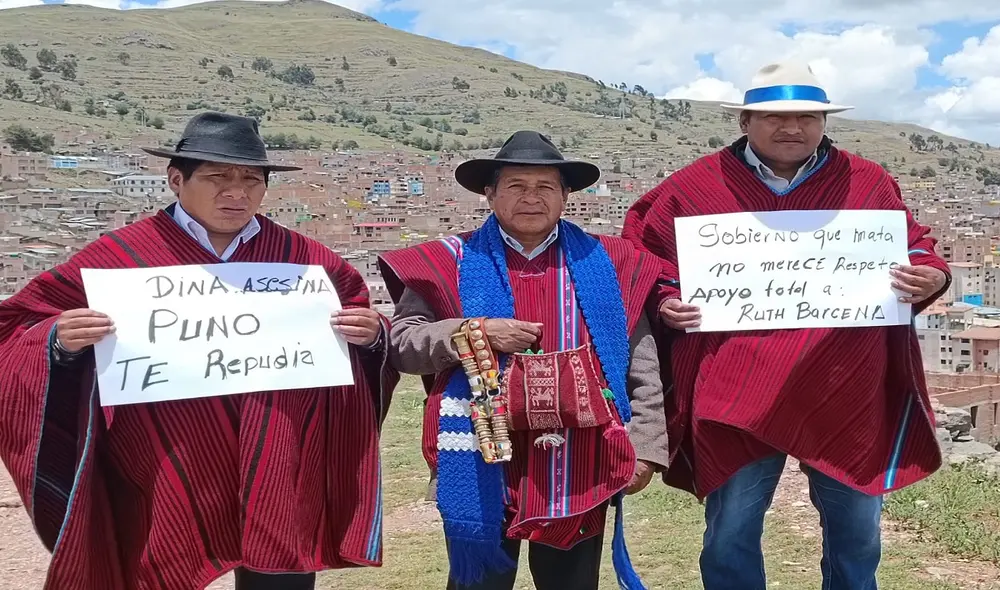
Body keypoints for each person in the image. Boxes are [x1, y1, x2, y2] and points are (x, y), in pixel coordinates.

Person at [0, 112, 397, 590]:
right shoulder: (122, 257)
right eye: (217, 177)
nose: (237, 192)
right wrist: (57, 341)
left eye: (252, 179)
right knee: (162, 564)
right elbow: (16, 327)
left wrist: (372, 335)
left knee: (280, 572)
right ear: (175, 180)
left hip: (279, 451)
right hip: (166, 457)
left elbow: (362, 319)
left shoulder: (305, 259)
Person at [622, 61, 951, 589]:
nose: (792, 128)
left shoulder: (866, 180)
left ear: (823, 121)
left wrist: (930, 274)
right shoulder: (694, 187)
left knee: (858, 532)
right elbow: (648, 258)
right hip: (735, 388)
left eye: (807, 116)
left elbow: (914, 243)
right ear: (745, 121)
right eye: (776, 117)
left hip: (843, 383)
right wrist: (666, 300)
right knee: (730, 531)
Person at [378, 131, 668, 590]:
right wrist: (474, 333)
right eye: (515, 186)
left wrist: (647, 447)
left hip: (581, 461)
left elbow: (642, 362)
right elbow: (403, 345)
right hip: (479, 459)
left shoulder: (612, 261)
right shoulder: (444, 263)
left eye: (545, 187)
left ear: (566, 195)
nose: (531, 198)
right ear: (489, 193)